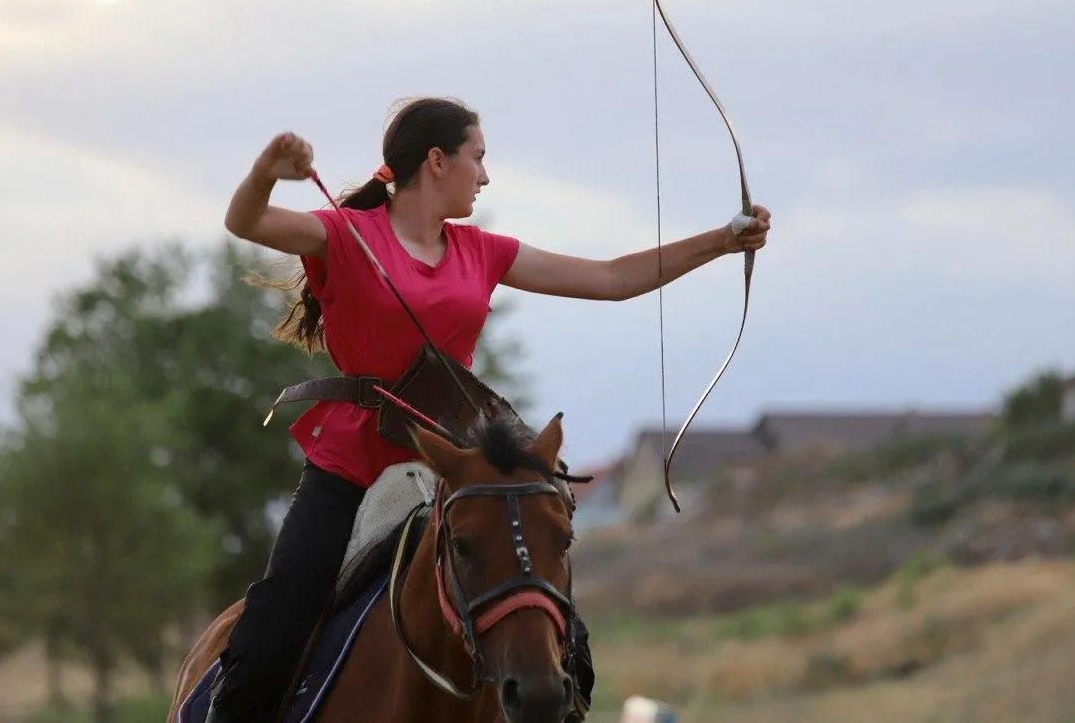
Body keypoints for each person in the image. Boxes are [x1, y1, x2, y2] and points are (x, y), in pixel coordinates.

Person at [208, 96, 772, 723]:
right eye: (478, 158)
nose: (485, 174)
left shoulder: (482, 250)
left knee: (563, 638)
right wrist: (267, 169)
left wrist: (723, 241)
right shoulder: (344, 233)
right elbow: (246, 221)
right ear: (437, 161)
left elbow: (611, 278)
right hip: (351, 467)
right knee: (274, 627)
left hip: (460, 471)